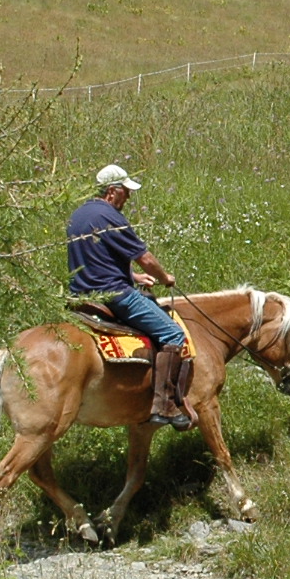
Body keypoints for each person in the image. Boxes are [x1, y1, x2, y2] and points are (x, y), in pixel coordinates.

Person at [67, 163, 193, 430]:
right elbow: (145, 258)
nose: (129, 196)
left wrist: (134, 277)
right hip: (115, 295)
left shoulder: (78, 215)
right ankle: (165, 406)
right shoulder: (110, 216)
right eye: (125, 191)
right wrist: (163, 278)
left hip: (82, 294)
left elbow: (95, 259)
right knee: (173, 335)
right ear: (112, 192)